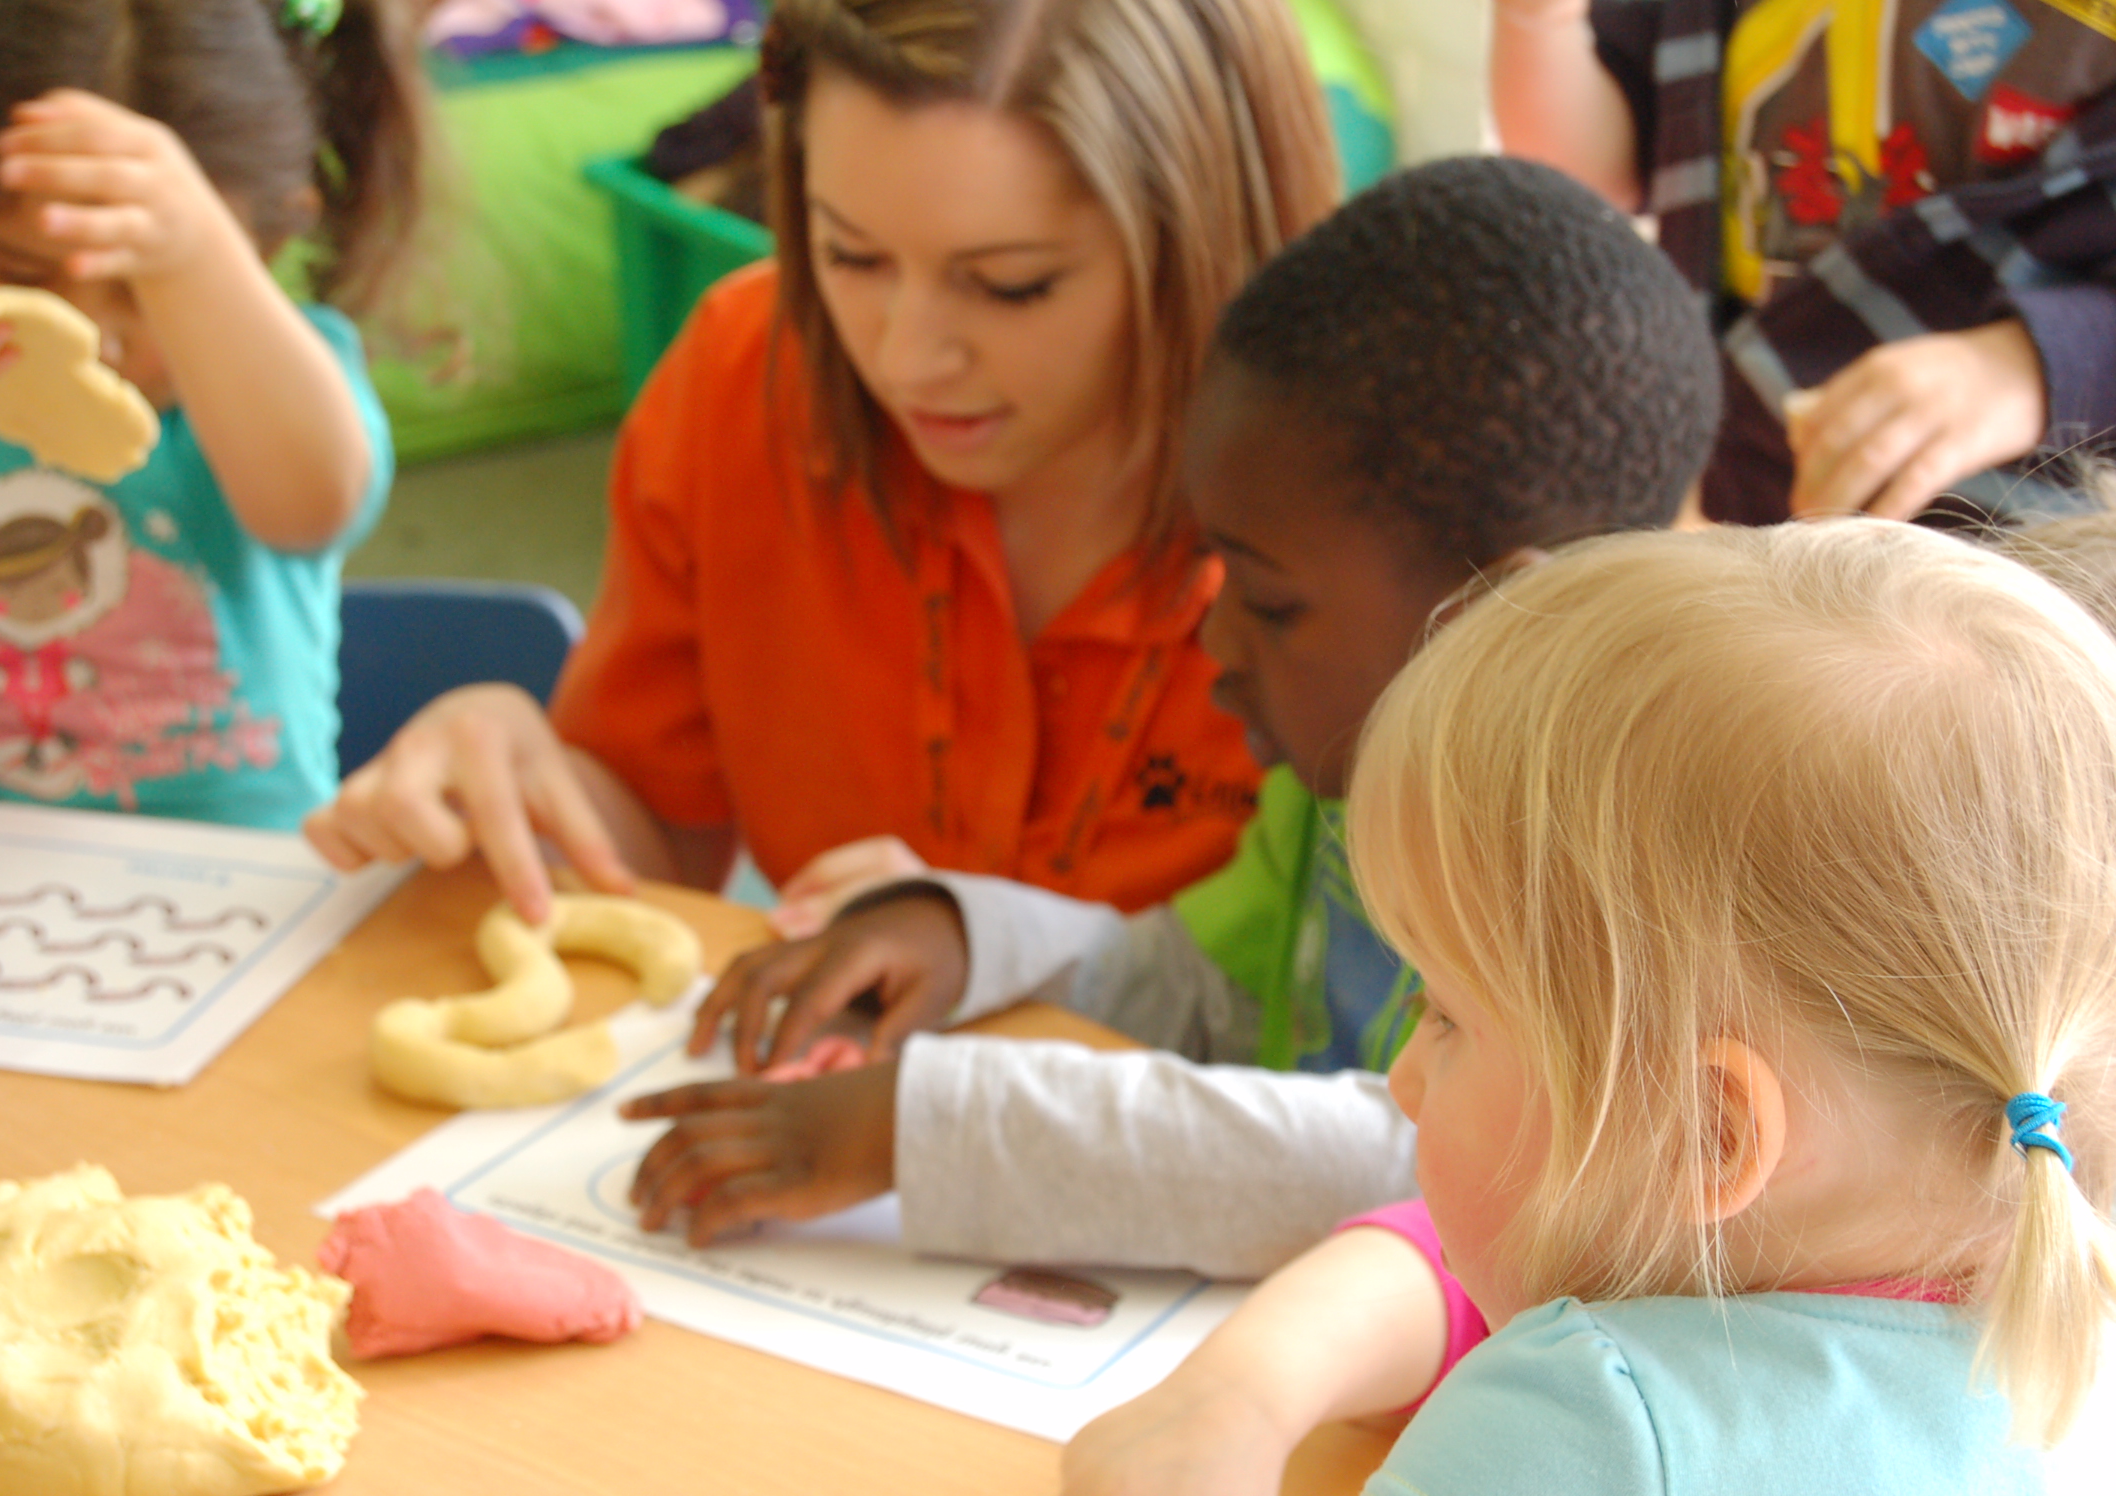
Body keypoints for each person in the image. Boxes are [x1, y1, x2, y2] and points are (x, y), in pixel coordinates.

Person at [616, 157, 1724, 1277]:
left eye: (1273, 602)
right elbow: (1205, 991)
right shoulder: (1353, 779)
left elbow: (1419, 1162)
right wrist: (963, 938)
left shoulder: (1643, 878)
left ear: (1495, 618)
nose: (1218, 642)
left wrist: (919, 1125)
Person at [1065, 520, 2116, 1496]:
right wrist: (1244, 1386)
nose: (1406, 1077)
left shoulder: (1583, 1425)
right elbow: (1461, 1251)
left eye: (1447, 1016)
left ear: (1708, 1131)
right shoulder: (2058, 1300)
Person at [303, 0, 1339, 925]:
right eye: (852, 254)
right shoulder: (747, 371)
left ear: (1202, 242)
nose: (905, 357)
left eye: (1010, 285)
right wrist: (520, 774)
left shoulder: (1363, 521)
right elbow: (659, 852)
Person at [0, 0, 423, 829]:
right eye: (22, 273)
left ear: (261, 245)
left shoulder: (271, 380)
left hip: (232, 881)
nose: (92, 340)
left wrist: (196, 251)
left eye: (144, 288)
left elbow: (313, 505)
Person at [1493, 0, 2116, 527]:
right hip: (1743, 470)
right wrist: (1541, 21)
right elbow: (1602, 166)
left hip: (2019, 541)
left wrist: (2025, 368)